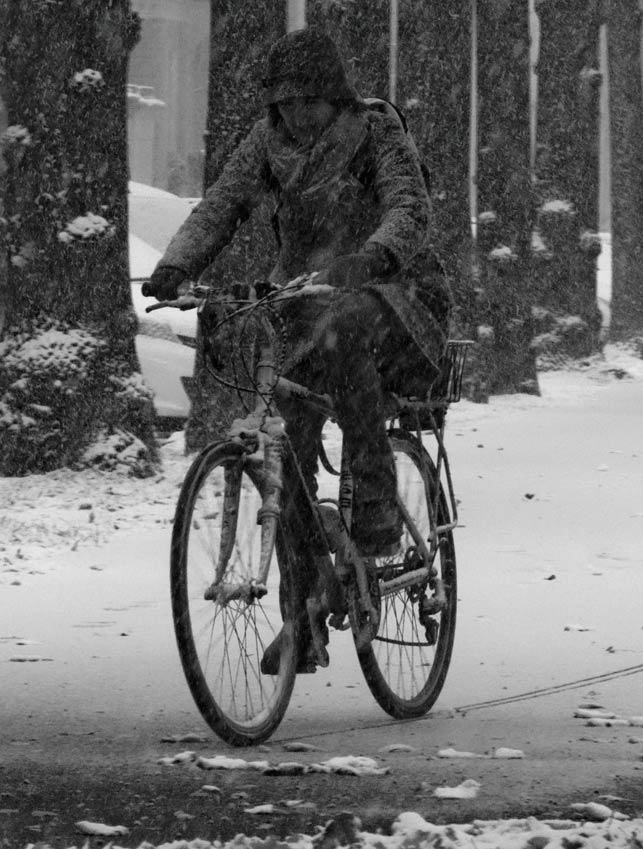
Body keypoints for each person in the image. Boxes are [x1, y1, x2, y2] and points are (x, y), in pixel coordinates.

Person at [143, 28, 451, 670]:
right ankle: (303, 614)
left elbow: (410, 208)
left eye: (307, 100)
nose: (295, 114)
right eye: (283, 102)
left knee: (344, 336)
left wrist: (371, 253)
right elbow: (220, 208)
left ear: (333, 95)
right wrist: (175, 266)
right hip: (303, 299)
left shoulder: (373, 131)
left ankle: (373, 507)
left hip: (392, 295)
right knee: (290, 449)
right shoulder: (265, 144)